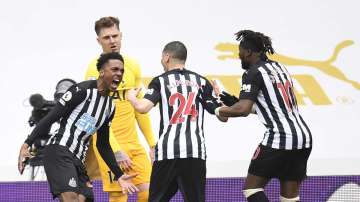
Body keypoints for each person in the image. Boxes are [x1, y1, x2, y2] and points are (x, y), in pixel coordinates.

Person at [18, 52, 139, 201]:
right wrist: (27, 143)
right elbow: (51, 117)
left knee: (85, 199)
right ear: (101, 72)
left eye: (121, 71)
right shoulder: (82, 90)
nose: (119, 74)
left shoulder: (109, 107)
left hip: (78, 161)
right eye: (114, 69)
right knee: (72, 198)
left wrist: (119, 175)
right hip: (59, 150)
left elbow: (103, 145)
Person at [214, 30, 312, 202]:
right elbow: (275, 106)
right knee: (289, 198)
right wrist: (237, 102)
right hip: (303, 138)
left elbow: (242, 110)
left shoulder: (252, 72)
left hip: (280, 137)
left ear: (249, 52)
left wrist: (217, 109)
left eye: (240, 51)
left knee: (252, 189)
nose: (239, 56)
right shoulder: (280, 67)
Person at [127, 41, 227, 202]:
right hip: (195, 152)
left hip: (168, 152)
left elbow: (142, 108)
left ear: (167, 57)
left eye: (162, 57)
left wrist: (131, 98)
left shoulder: (160, 81)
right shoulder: (201, 82)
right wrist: (220, 99)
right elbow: (223, 117)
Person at [84, 16, 156, 202]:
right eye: (107, 37)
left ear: (121, 35)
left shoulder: (132, 65)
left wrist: (151, 143)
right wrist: (115, 150)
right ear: (99, 41)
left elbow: (139, 108)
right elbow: (93, 115)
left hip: (133, 144)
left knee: (149, 192)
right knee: (119, 194)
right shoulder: (94, 69)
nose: (112, 41)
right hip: (108, 144)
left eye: (115, 36)